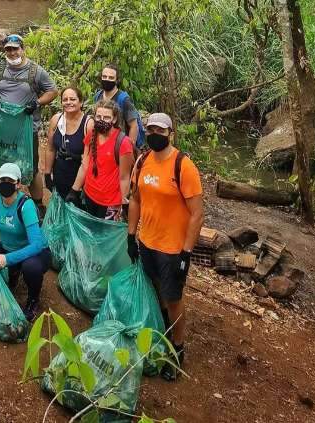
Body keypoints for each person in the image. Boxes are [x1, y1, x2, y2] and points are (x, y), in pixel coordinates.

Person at [127, 113, 204, 381]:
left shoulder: (183, 166)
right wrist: (130, 235)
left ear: (171, 133)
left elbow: (197, 214)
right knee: (155, 291)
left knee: (173, 299)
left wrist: (187, 252)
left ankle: (177, 349)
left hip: (173, 248)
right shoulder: (143, 160)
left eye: (160, 130)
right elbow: (135, 200)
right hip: (147, 241)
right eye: (150, 130)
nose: (154, 135)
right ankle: (161, 334)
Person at [0, 34, 57, 216]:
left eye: (15, 48)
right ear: (4, 51)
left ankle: (39, 204)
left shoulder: (35, 71)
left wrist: (37, 103)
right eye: (8, 49)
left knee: (30, 167)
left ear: (22, 49)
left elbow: (53, 91)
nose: (12, 52)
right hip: (2, 124)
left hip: (26, 128)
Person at [0, 163, 51, 322]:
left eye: (10, 180)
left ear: (18, 184)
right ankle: (13, 272)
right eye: (2, 180)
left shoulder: (25, 205)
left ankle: (33, 300)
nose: (5, 184)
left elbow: (36, 244)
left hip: (35, 253)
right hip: (7, 248)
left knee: (31, 268)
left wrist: (7, 259)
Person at [66, 100, 134, 220]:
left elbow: (124, 177)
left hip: (110, 202)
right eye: (98, 116)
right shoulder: (92, 134)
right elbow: (84, 165)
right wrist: (74, 190)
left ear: (114, 119)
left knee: (106, 236)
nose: (102, 120)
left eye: (107, 117)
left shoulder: (123, 143)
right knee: (90, 233)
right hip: (89, 194)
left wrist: (124, 203)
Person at [44, 86, 93, 198]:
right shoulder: (56, 120)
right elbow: (50, 148)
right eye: (65, 100)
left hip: (81, 182)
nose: (68, 102)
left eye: (72, 99)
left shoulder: (88, 124)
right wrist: (47, 174)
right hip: (60, 176)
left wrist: (75, 156)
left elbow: (91, 158)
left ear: (80, 102)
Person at [93, 64, 145, 150]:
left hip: (121, 145)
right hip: (104, 144)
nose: (107, 80)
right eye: (104, 76)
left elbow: (133, 125)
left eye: (111, 78)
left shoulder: (124, 99)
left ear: (117, 80)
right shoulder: (98, 96)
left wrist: (130, 148)